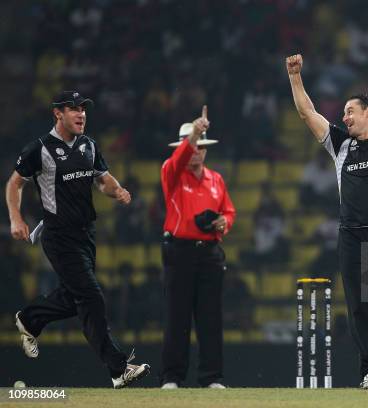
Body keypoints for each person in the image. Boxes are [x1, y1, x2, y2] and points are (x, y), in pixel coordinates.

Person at [286, 33, 368, 389]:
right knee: (359, 307)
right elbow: (306, 112)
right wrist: (295, 77)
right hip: (351, 235)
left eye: (350, 111)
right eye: (343, 112)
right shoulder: (340, 145)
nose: (344, 117)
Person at [5, 90, 150, 389]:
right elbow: (15, 182)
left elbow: (103, 179)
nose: (81, 113)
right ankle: (118, 368)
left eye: (83, 108)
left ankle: (30, 319)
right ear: (57, 113)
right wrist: (16, 218)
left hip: (86, 234)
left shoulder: (89, 145)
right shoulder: (40, 148)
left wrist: (118, 190)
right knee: (92, 298)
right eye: (73, 108)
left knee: (77, 299)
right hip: (59, 236)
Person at [160, 105, 235, 389]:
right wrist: (194, 131)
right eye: (193, 145)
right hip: (179, 251)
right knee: (177, 317)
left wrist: (222, 224)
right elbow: (176, 160)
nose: (197, 150)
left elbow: (229, 211)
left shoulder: (216, 179)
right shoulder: (172, 173)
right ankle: (171, 377)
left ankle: (212, 378)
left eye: (201, 146)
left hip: (209, 254)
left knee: (210, 319)